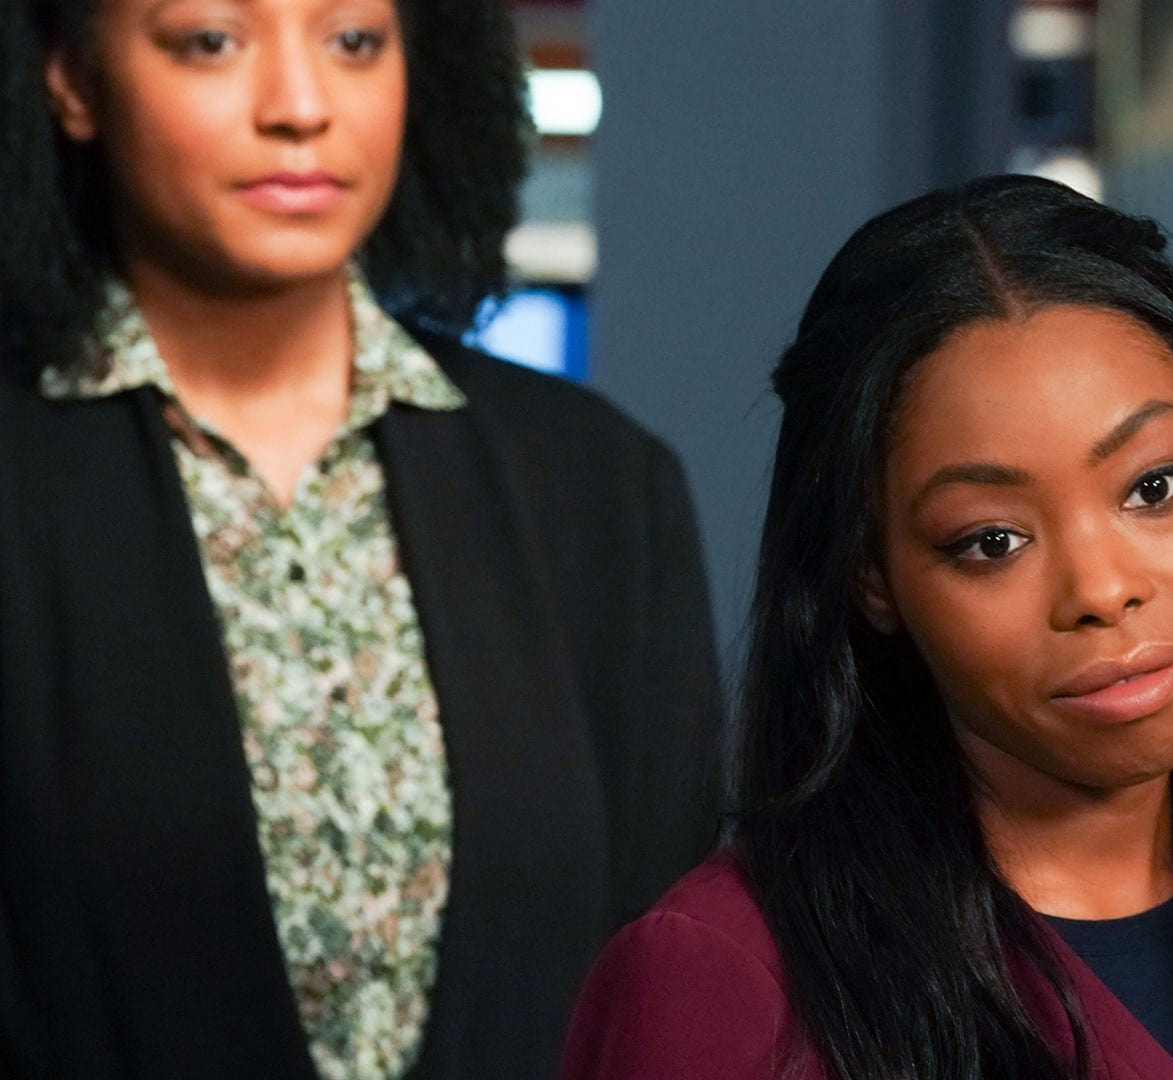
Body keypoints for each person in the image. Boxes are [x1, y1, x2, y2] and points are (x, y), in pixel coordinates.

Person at [0, 1, 722, 1077]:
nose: (300, 107)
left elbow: (657, 984)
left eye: (353, 41)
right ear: (69, 79)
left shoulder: (600, 484)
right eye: (212, 41)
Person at [562, 175, 1173, 1080]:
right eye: (993, 541)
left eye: (1153, 487)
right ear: (873, 577)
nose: (1101, 590)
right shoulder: (727, 979)